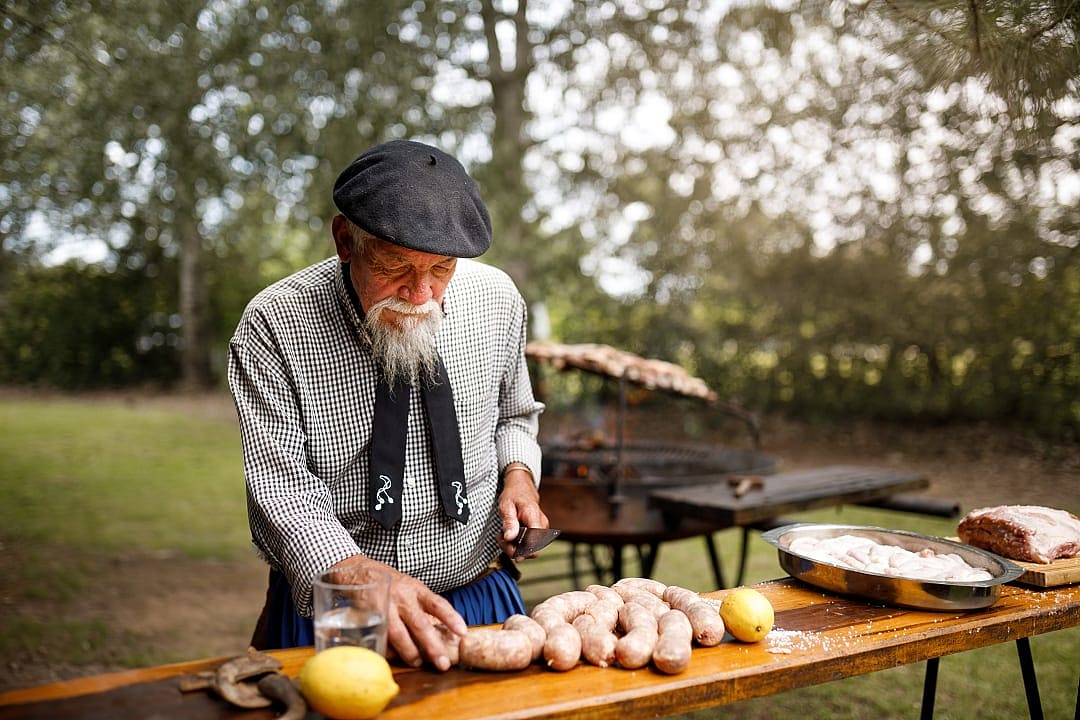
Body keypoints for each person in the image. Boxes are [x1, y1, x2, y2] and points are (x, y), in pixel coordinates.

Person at [227, 139, 547, 672]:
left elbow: (514, 414)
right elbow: (279, 486)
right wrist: (359, 576)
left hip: (477, 595)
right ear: (345, 241)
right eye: (396, 266)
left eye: (441, 269)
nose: (421, 294)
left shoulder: (498, 300)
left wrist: (519, 473)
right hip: (346, 607)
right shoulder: (274, 325)